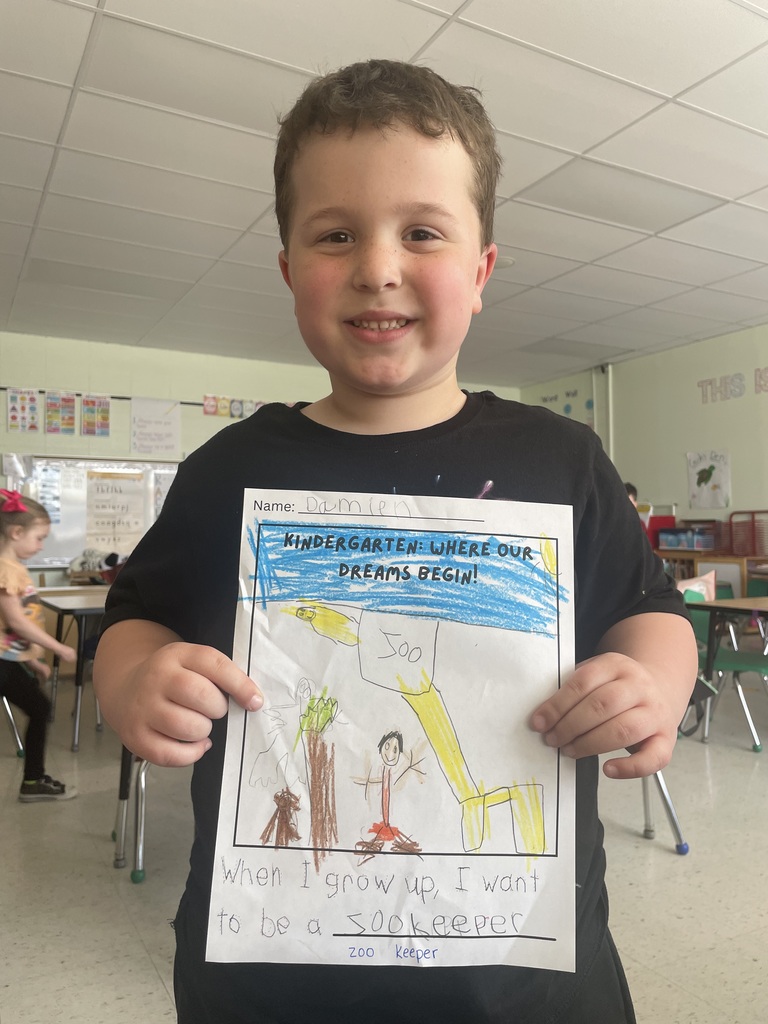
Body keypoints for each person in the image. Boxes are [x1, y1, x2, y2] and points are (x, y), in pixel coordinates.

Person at [94, 59, 697, 1024]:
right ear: (290, 268)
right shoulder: (228, 468)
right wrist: (132, 682)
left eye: (422, 232)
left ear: (483, 270)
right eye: (336, 235)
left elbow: (649, 613)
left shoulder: (561, 457)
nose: (378, 265)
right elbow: (138, 616)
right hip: (268, 973)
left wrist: (651, 683)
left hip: (526, 978)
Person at [0, 489, 77, 801]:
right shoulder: (6, 570)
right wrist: (59, 648)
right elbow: (17, 622)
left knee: (39, 707)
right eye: (39, 537)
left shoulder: (13, 568)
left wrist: (31, 660)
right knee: (40, 707)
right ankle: (32, 782)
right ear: (17, 532)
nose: (42, 545)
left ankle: (34, 779)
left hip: (7, 659)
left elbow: (6, 630)